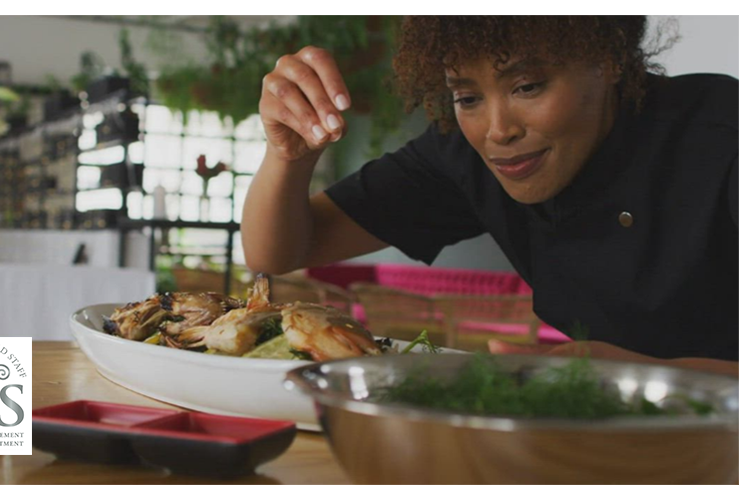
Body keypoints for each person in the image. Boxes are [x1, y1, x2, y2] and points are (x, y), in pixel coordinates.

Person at [242, 16, 738, 376]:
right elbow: (278, 252)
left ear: (608, 60)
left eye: (528, 86)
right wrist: (289, 157)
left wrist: (635, 376)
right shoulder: (464, 156)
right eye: (468, 97)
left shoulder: (727, 133)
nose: (498, 130)